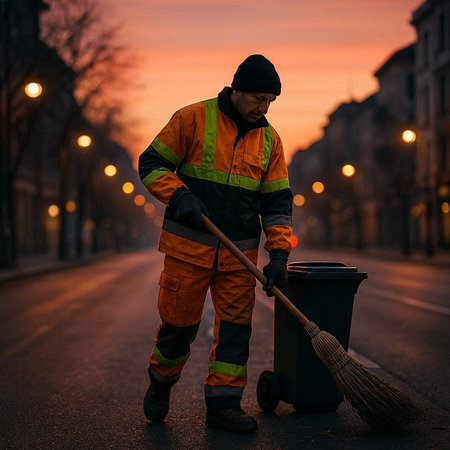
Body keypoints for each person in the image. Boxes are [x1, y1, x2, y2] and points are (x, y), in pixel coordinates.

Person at [138, 54, 293, 433]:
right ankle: (161, 381)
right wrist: (179, 196)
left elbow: (277, 203)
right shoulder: (192, 118)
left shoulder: (270, 140)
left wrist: (279, 254)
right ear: (236, 89)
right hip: (188, 252)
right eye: (259, 97)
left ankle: (224, 407)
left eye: (270, 101)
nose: (264, 107)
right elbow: (151, 164)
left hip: (239, 257)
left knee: (236, 333)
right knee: (178, 328)